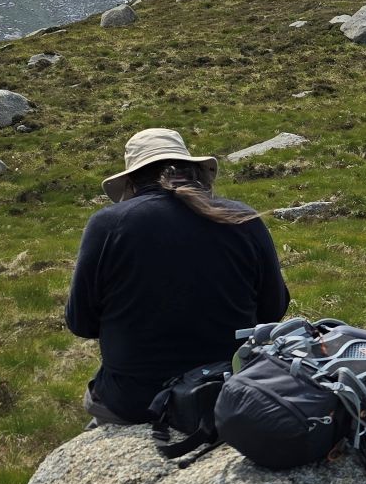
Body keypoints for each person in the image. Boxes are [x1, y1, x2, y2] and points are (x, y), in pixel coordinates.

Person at [66, 128, 290, 424]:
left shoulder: (109, 224)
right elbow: (272, 310)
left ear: (131, 181)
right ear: (196, 171)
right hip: (230, 393)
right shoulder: (242, 218)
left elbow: (81, 323)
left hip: (134, 400)